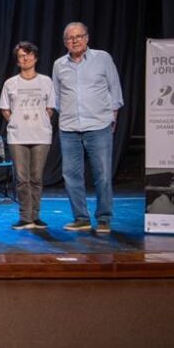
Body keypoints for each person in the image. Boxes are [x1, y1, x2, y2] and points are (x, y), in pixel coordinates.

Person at [52, 22, 123, 233]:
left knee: (102, 174)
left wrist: (113, 116)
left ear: (87, 38)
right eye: (70, 38)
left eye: (78, 36)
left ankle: (104, 218)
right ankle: (81, 218)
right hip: (69, 128)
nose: (74, 41)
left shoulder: (103, 58)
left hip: (98, 125)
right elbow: (56, 95)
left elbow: (115, 89)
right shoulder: (59, 65)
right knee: (71, 175)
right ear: (65, 42)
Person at [0, 41, 55, 230]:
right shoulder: (10, 83)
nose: (26, 58)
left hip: (41, 136)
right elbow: (5, 109)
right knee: (22, 178)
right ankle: (25, 217)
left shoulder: (46, 81)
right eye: (22, 55)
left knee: (36, 177)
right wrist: (18, 122)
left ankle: (36, 216)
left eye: (29, 54)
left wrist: (37, 122)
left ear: (35, 57)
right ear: (17, 60)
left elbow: (50, 108)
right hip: (18, 137)